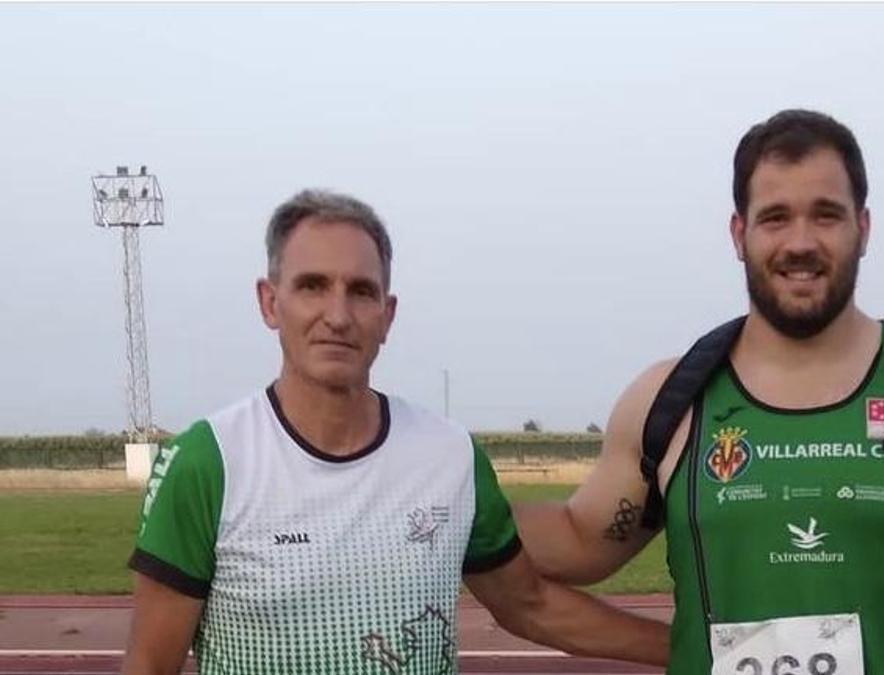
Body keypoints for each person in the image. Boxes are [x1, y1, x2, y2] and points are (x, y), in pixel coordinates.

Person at [514, 110, 884, 674]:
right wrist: (455, 498)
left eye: (826, 216)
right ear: (738, 234)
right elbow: (578, 541)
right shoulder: (671, 402)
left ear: (863, 229)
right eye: (775, 218)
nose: (801, 242)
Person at [121, 189, 668, 674]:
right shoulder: (207, 461)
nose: (337, 315)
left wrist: (690, 653)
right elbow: (150, 662)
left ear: (387, 312)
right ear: (270, 302)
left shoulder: (449, 457)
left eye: (360, 291)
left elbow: (529, 605)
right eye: (312, 286)